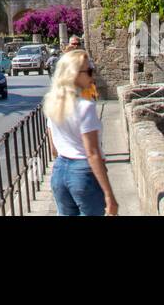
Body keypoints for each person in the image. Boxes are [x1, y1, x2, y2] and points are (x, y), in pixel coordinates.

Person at [42, 49, 118, 216]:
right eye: (88, 70)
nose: (92, 75)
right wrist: (109, 195)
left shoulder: (54, 103)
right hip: (83, 172)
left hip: (60, 171)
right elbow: (92, 153)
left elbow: (53, 148)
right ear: (74, 74)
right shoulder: (85, 106)